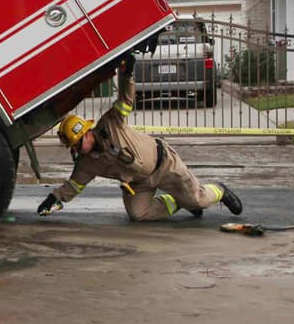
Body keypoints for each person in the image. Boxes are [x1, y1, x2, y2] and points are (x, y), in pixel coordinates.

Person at [37, 53, 243, 221]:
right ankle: (178, 202)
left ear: (87, 133)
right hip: (139, 183)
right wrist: (54, 199)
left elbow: (126, 100)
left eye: (76, 144)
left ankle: (220, 190)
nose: (76, 150)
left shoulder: (110, 124)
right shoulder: (86, 164)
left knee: (198, 200)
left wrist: (127, 75)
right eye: (73, 147)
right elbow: (74, 185)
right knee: (138, 214)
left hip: (164, 165)